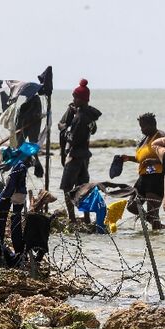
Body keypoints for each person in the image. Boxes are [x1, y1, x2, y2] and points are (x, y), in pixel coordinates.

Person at [58, 79, 101, 223]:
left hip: (75, 155)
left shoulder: (80, 117)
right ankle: (87, 217)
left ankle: (72, 219)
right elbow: (93, 130)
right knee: (83, 187)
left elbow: (73, 138)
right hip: (85, 156)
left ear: (81, 99)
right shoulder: (89, 116)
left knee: (67, 187)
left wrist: (63, 129)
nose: (73, 100)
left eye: (75, 97)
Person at [121, 113, 164, 230]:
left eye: (143, 127)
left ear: (152, 125)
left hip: (156, 178)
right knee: (131, 206)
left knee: (153, 212)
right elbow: (142, 159)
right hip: (143, 178)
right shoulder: (144, 139)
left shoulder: (160, 137)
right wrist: (129, 158)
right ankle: (158, 225)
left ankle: (156, 243)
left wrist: (154, 161)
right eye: (140, 127)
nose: (141, 130)